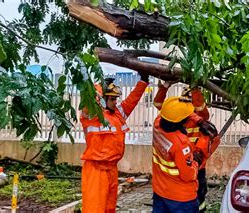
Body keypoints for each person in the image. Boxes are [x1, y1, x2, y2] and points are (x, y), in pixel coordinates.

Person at [80, 74, 149, 212]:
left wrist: (143, 82)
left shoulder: (117, 114)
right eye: (112, 99)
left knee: (109, 208)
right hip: (96, 170)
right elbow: (88, 99)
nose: (115, 102)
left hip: (112, 169)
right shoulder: (92, 115)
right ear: (103, 100)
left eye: (116, 99)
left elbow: (132, 100)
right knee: (94, 209)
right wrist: (100, 86)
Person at [153, 81, 217, 212]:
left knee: (201, 198)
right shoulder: (180, 143)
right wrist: (196, 160)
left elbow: (198, 111)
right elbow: (188, 174)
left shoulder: (159, 123)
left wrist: (194, 90)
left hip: (162, 187)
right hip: (185, 183)